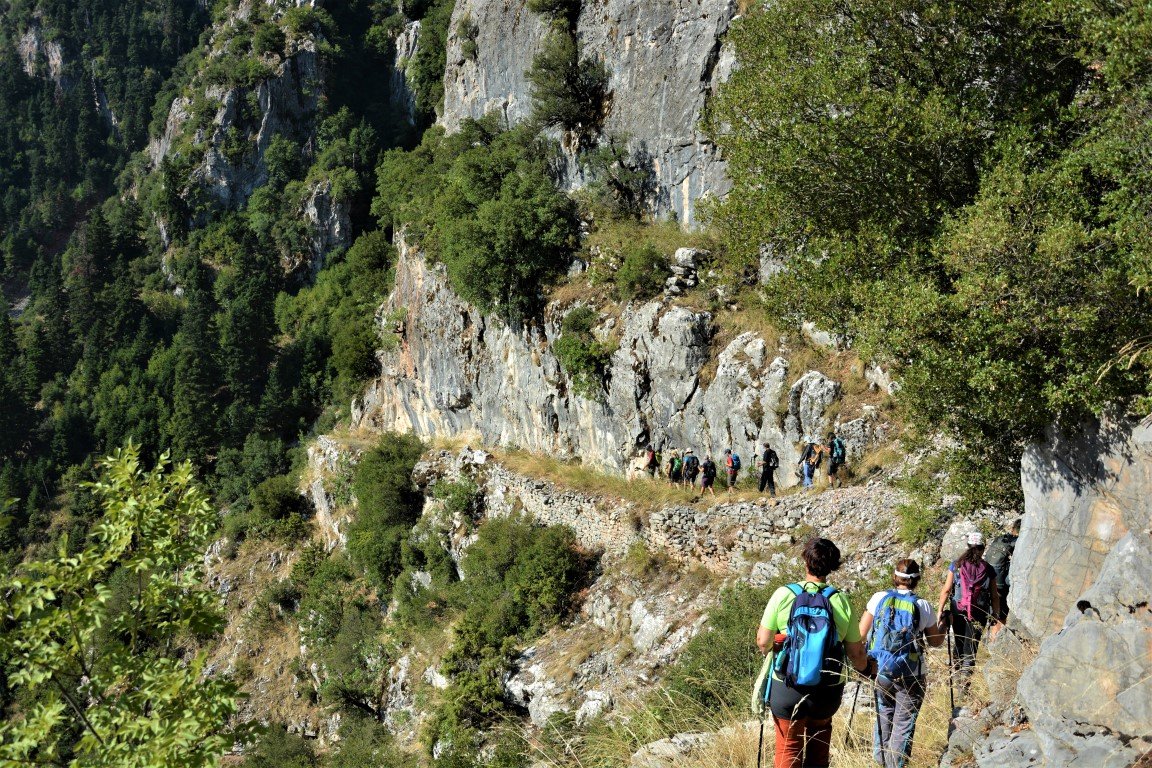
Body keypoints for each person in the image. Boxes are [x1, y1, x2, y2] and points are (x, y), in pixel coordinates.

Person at [757, 538, 873, 768]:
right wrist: (868, 669)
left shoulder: (783, 594)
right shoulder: (839, 599)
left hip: (787, 686)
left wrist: (778, 644)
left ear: (805, 562)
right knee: (819, 745)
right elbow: (855, 651)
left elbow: (762, 642)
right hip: (827, 689)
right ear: (832, 566)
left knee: (788, 748)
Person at [860, 559, 944, 768]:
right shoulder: (922, 605)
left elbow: (861, 633)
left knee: (884, 715)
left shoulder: (879, 598)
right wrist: (943, 622)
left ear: (895, 577)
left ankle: (881, 762)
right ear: (916, 581)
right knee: (904, 723)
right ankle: (895, 765)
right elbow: (935, 642)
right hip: (912, 673)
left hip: (882, 670)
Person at [937, 533, 1000, 691]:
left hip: (958, 609)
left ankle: (955, 678)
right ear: (982, 548)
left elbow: (946, 590)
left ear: (968, 547)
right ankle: (964, 685)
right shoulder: (989, 569)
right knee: (971, 647)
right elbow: (994, 595)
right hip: (979, 612)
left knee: (958, 642)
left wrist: (939, 612)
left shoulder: (956, 565)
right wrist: (995, 614)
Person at [984, 519, 1020, 624]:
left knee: (993, 614)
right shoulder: (1017, 542)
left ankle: (994, 631)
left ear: (1012, 528)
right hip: (1000, 584)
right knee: (1001, 614)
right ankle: (999, 633)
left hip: (988, 578)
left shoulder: (1000, 538)